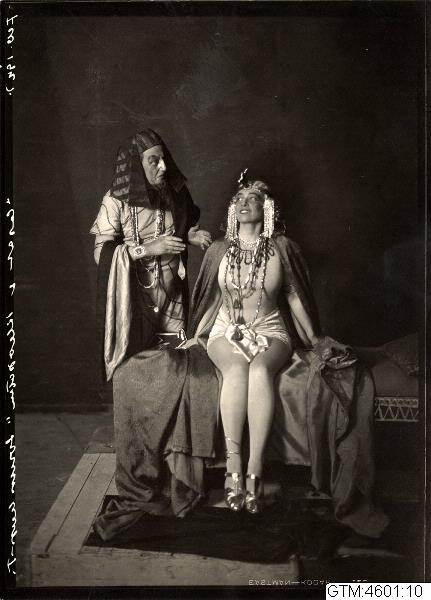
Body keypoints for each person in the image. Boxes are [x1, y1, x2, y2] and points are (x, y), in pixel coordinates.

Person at [190, 173, 320, 514]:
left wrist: (313, 337)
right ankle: (233, 464)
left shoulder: (282, 248)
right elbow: (211, 300)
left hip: (270, 330)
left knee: (260, 371)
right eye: (239, 199)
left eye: (252, 199)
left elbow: (294, 296)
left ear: (267, 208)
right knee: (236, 370)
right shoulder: (220, 249)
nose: (243, 203)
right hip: (227, 330)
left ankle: (255, 467)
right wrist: (195, 334)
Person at [90, 129, 211, 381]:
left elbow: (181, 225)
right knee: (136, 371)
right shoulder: (114, 200)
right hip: (134, 298)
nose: (163, 167)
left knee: (175, 365)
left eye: (163, 159)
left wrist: (189, 236)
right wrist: (148, 248)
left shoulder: (174, 193)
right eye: (154, 161)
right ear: (136, 165)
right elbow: (101, 253)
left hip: (172, 296)